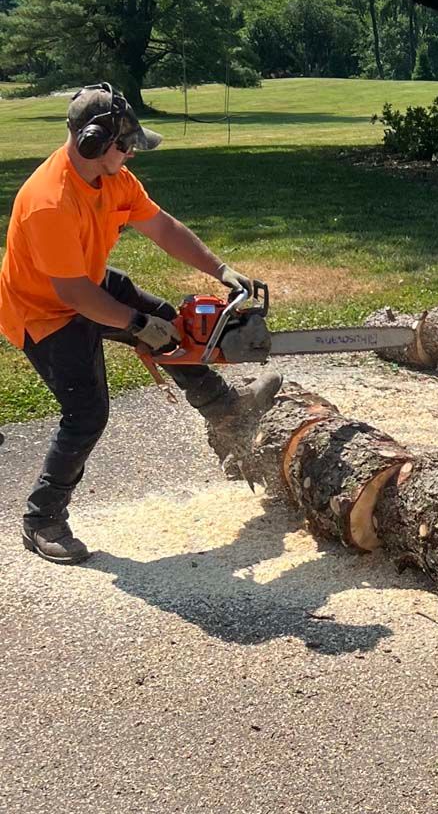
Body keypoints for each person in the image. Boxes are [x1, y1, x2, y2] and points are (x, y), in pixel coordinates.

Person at [0, 83, 281, 566]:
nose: (131, 154)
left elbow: (163, 227)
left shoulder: (114, 180)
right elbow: (73, 296)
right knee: (87, 413)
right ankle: (42, 518)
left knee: (173, 325)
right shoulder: (50, 199)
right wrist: (135, 324)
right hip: (42, 310)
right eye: (125, 145)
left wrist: (219, 270)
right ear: (94, 143)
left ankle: (225, 410)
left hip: (85, 280)